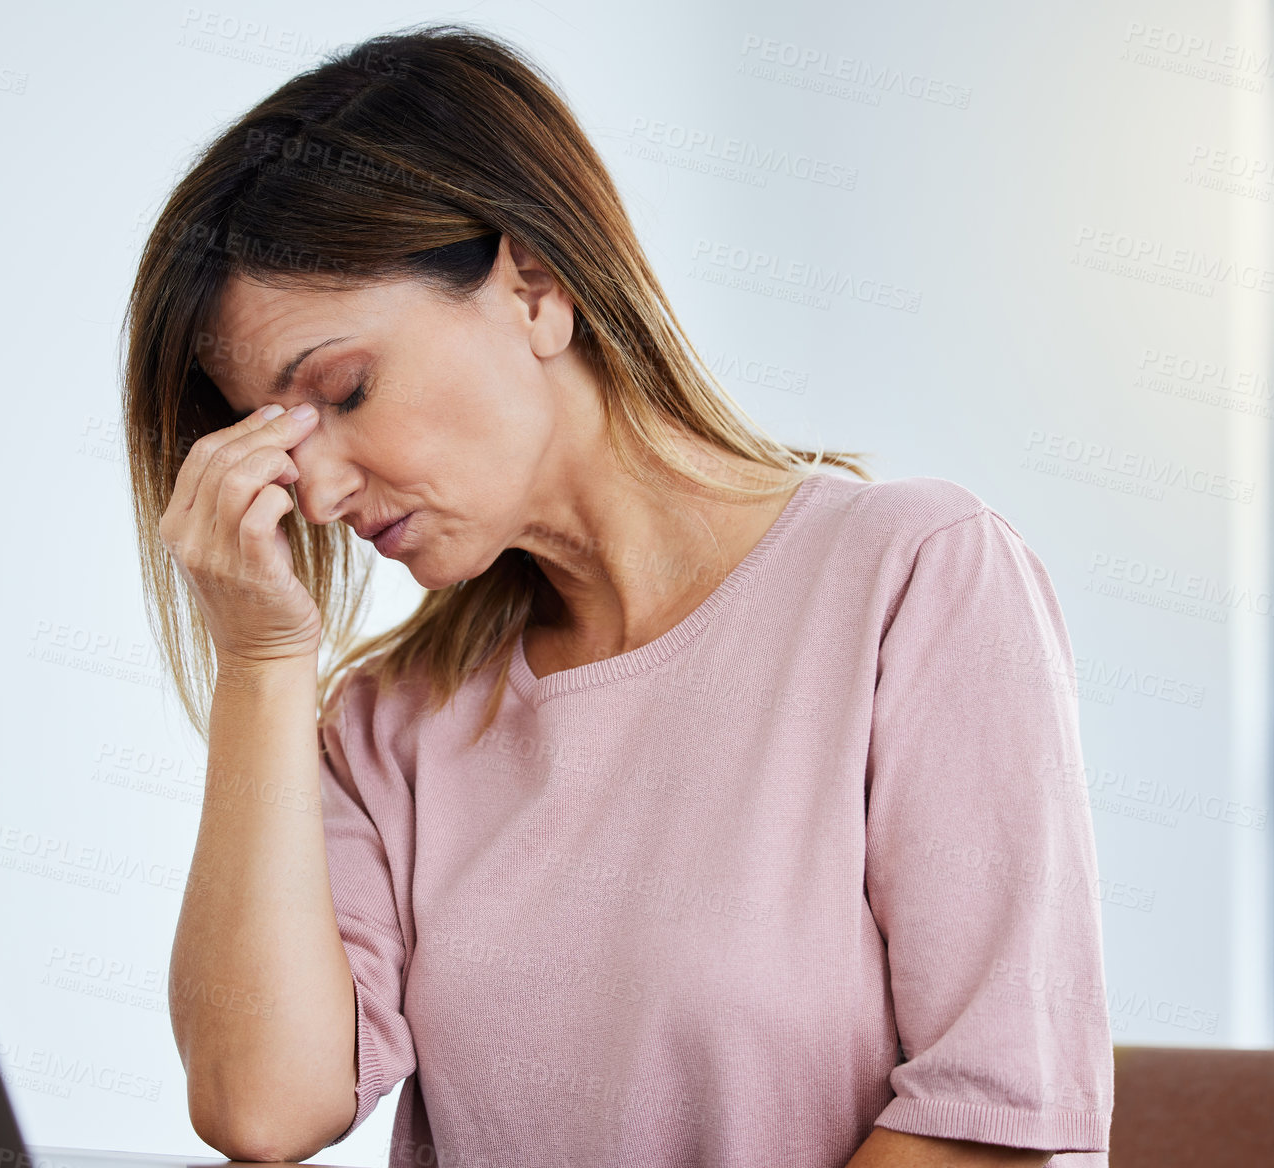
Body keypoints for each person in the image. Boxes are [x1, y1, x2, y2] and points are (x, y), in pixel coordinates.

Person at [124, 22, 1114, 1168]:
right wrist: (257, 664)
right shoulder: (393, 721)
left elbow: (989, 1123)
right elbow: (260, 1108)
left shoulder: (913, 578)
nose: (320, 490)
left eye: (343, 390)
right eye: (280, 445)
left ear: (534, 287)